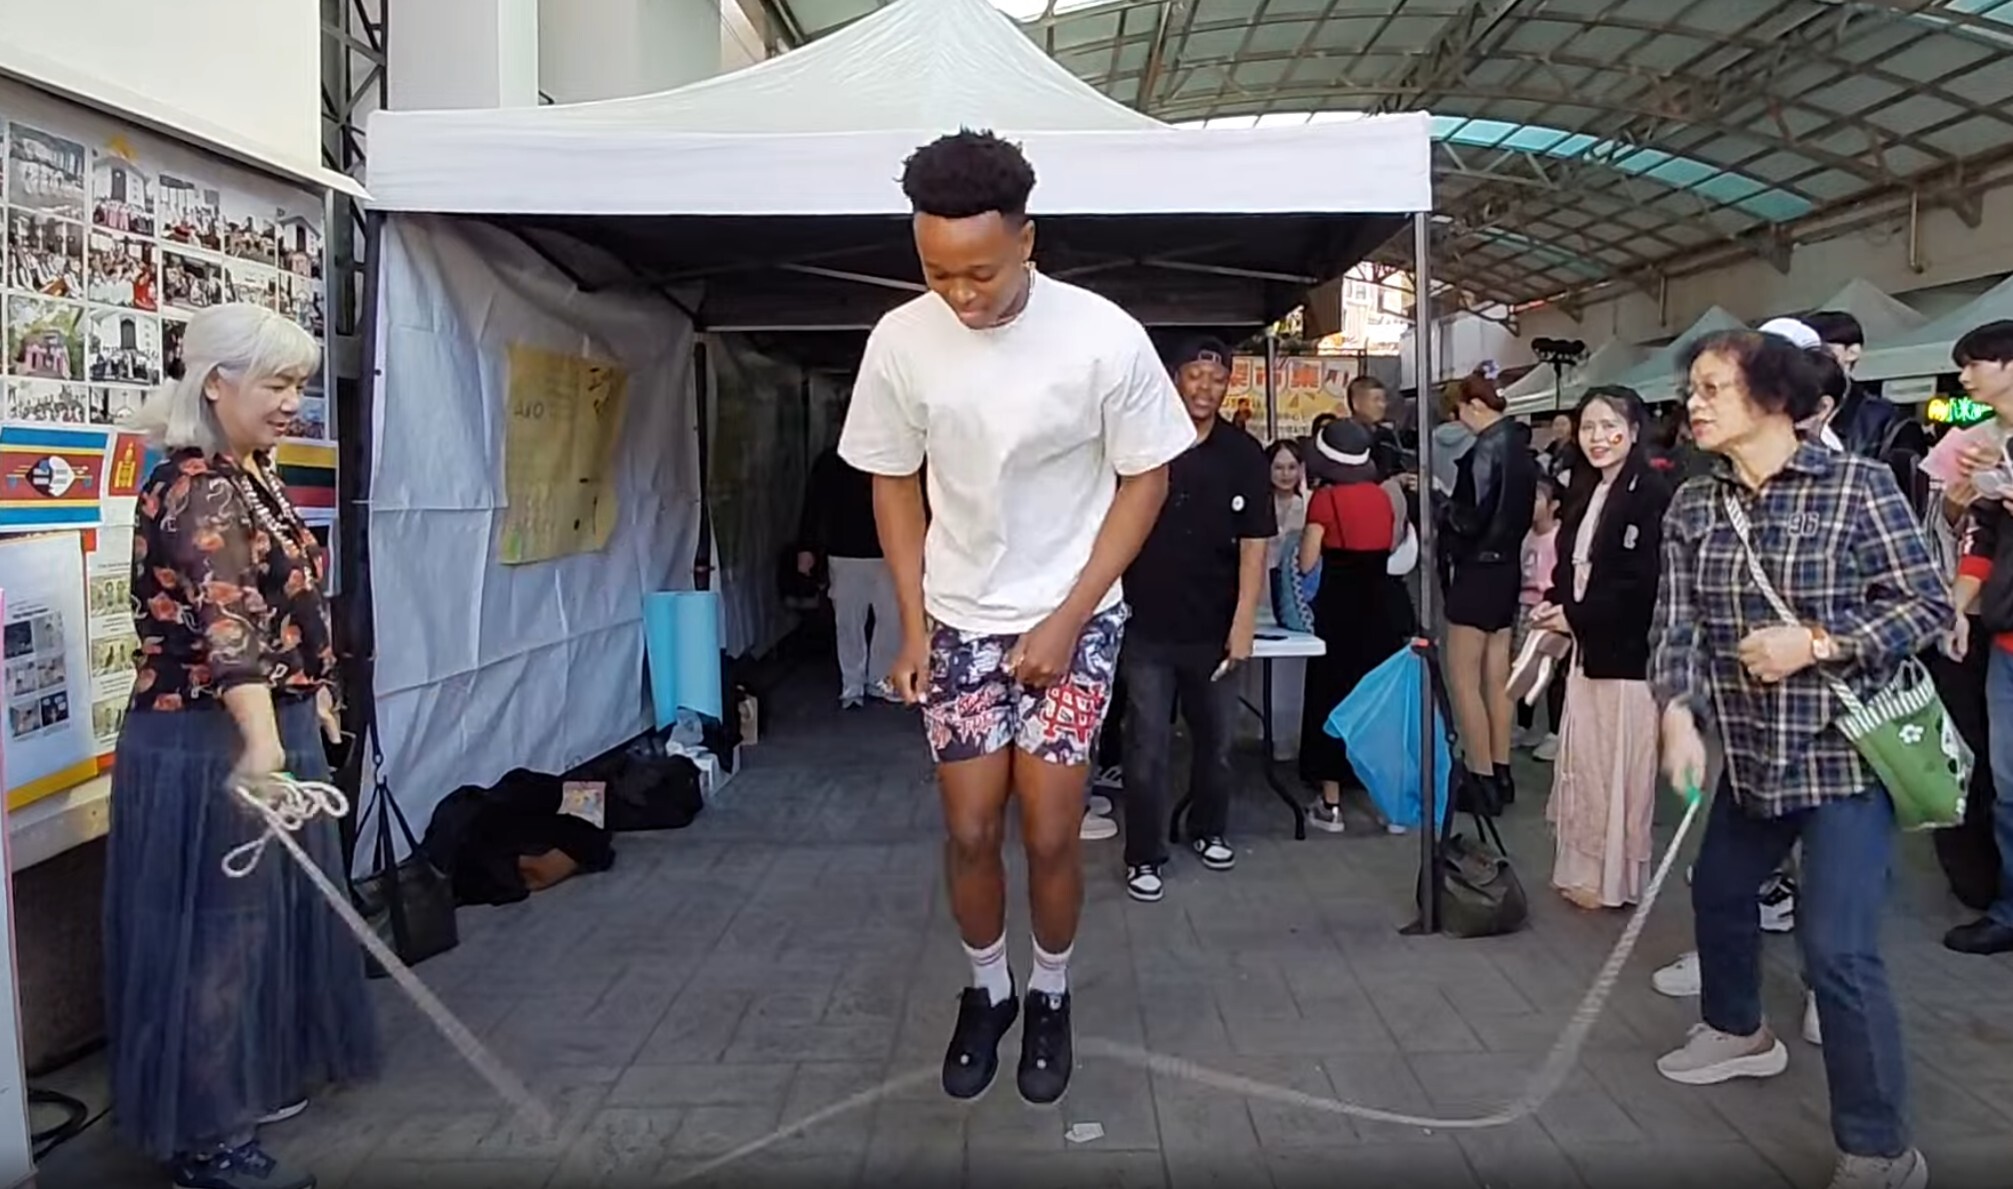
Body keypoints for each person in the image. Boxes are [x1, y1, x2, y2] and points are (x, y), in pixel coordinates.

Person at [837, 130, 1195, 1106]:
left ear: (1027, 240)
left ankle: (1050, 991)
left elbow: (1146, 480)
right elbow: (892, 481)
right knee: (968, 827)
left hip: (1073, 618)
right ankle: (986, 987)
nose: (960, 295)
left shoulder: (1101, 335)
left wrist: (1069, 616)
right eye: (936, 272)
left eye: (981, 272)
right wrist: (913, 624)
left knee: (1047, 831)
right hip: (957, 622)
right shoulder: (900, 340)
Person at [1651, 328, 1946, 1189]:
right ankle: (1737, 1030)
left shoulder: (1857, 485)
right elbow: (1676, 624)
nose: (1693, 404)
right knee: (1717, 889)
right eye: (1691, 389)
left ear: (1774, 398)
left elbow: (1925, 604)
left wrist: (1815, 641)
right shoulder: (1693, 505)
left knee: (1836, 950)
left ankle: (1879, 1148)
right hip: (1751, 757)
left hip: (1844, 756)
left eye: (1712, 387)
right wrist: (1676, 712)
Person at [104, 303, 378, 1189]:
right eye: (276, 383)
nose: (293, 400)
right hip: (209, 735)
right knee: (218, 942)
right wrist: (262, 741)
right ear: (216, 383)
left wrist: (313, 695)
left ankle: (238, 1093)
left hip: (264, 718)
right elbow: (227, 625)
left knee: (255, 932)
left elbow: (282, 607)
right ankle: (209, 1140)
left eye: (298, 383)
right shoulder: (199, 484)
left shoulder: (250, 471)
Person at [1118, 338, 1275, 900]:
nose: (1205, 387)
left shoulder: (1244, 454)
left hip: (1215, 628)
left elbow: (1255, 542)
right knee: (1147, 746)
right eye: (1195, 375)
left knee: (1217, 743)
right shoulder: (1143, 442)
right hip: (1145, 625)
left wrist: (1244, 621)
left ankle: (1209, 829)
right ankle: (1144, 854)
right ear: (1174, 378)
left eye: (1217, 378)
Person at [1529, 386, 1671, 909]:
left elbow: (1641, 583)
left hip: (1628, 656)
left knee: (1620, 770)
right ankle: (1584, 870)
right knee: (1585, 763)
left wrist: (1575, 615)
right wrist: (1556, 602)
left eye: (1610, 426)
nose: (1598, 437)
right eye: (1588, 426)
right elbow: (1572, 569)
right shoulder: (1587, 490)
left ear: (1633, 431)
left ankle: (1615, 879)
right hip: (1587, 651)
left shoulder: (1650, 493)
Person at [1296, 419, 1414, 833]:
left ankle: (1331, 806)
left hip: (1339, 609)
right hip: (1383, 605)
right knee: (1377, 703)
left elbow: (1307, 561)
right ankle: (1390, 807)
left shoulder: (1324, 500)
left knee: (1332, 698)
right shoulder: (1383, 496)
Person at [1941, 319, 2013, 955]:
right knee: (2007, 784)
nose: (1965, 377)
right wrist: (1958, 607)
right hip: (2005, 642)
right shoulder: (1988, 443)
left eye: (1975, 363)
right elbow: (1980, 537)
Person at [1440, 371, 1538, 810]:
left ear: (1474, 406)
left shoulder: (1485, 450)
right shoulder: (1520, 448)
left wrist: (1443, 507)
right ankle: (1501, 772)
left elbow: (1470, 517)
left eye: (1458, 411)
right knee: (1498, 678)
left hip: (1477, 570)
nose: (1458, 420)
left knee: (1463, 679)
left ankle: (1479, 779)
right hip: (1507, 568)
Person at [797, 441, 902, 709]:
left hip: (887, 551)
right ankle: (853, 683)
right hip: (846, 552)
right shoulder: (832, 460)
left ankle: (879, 679)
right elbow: (814, 505)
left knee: (890, 619)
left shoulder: (893, 453)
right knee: (849, 621)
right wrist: (807, 546)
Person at [1514, 474, 1565, 761]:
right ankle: (1525, 725)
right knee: (1523, 667)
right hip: (1524, 607)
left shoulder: (1559, 538)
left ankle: (1555, 734)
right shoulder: (1525, 534)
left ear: (1554, 505)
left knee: (1550, 672)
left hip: (1548, 608)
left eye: (1537, 498)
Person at [1265, 439, 1307, 571]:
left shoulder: (1310, 504)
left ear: (1301, 469)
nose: (1286, 474)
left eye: (1292, 467)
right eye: (1279, 468)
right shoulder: (1258, 505)